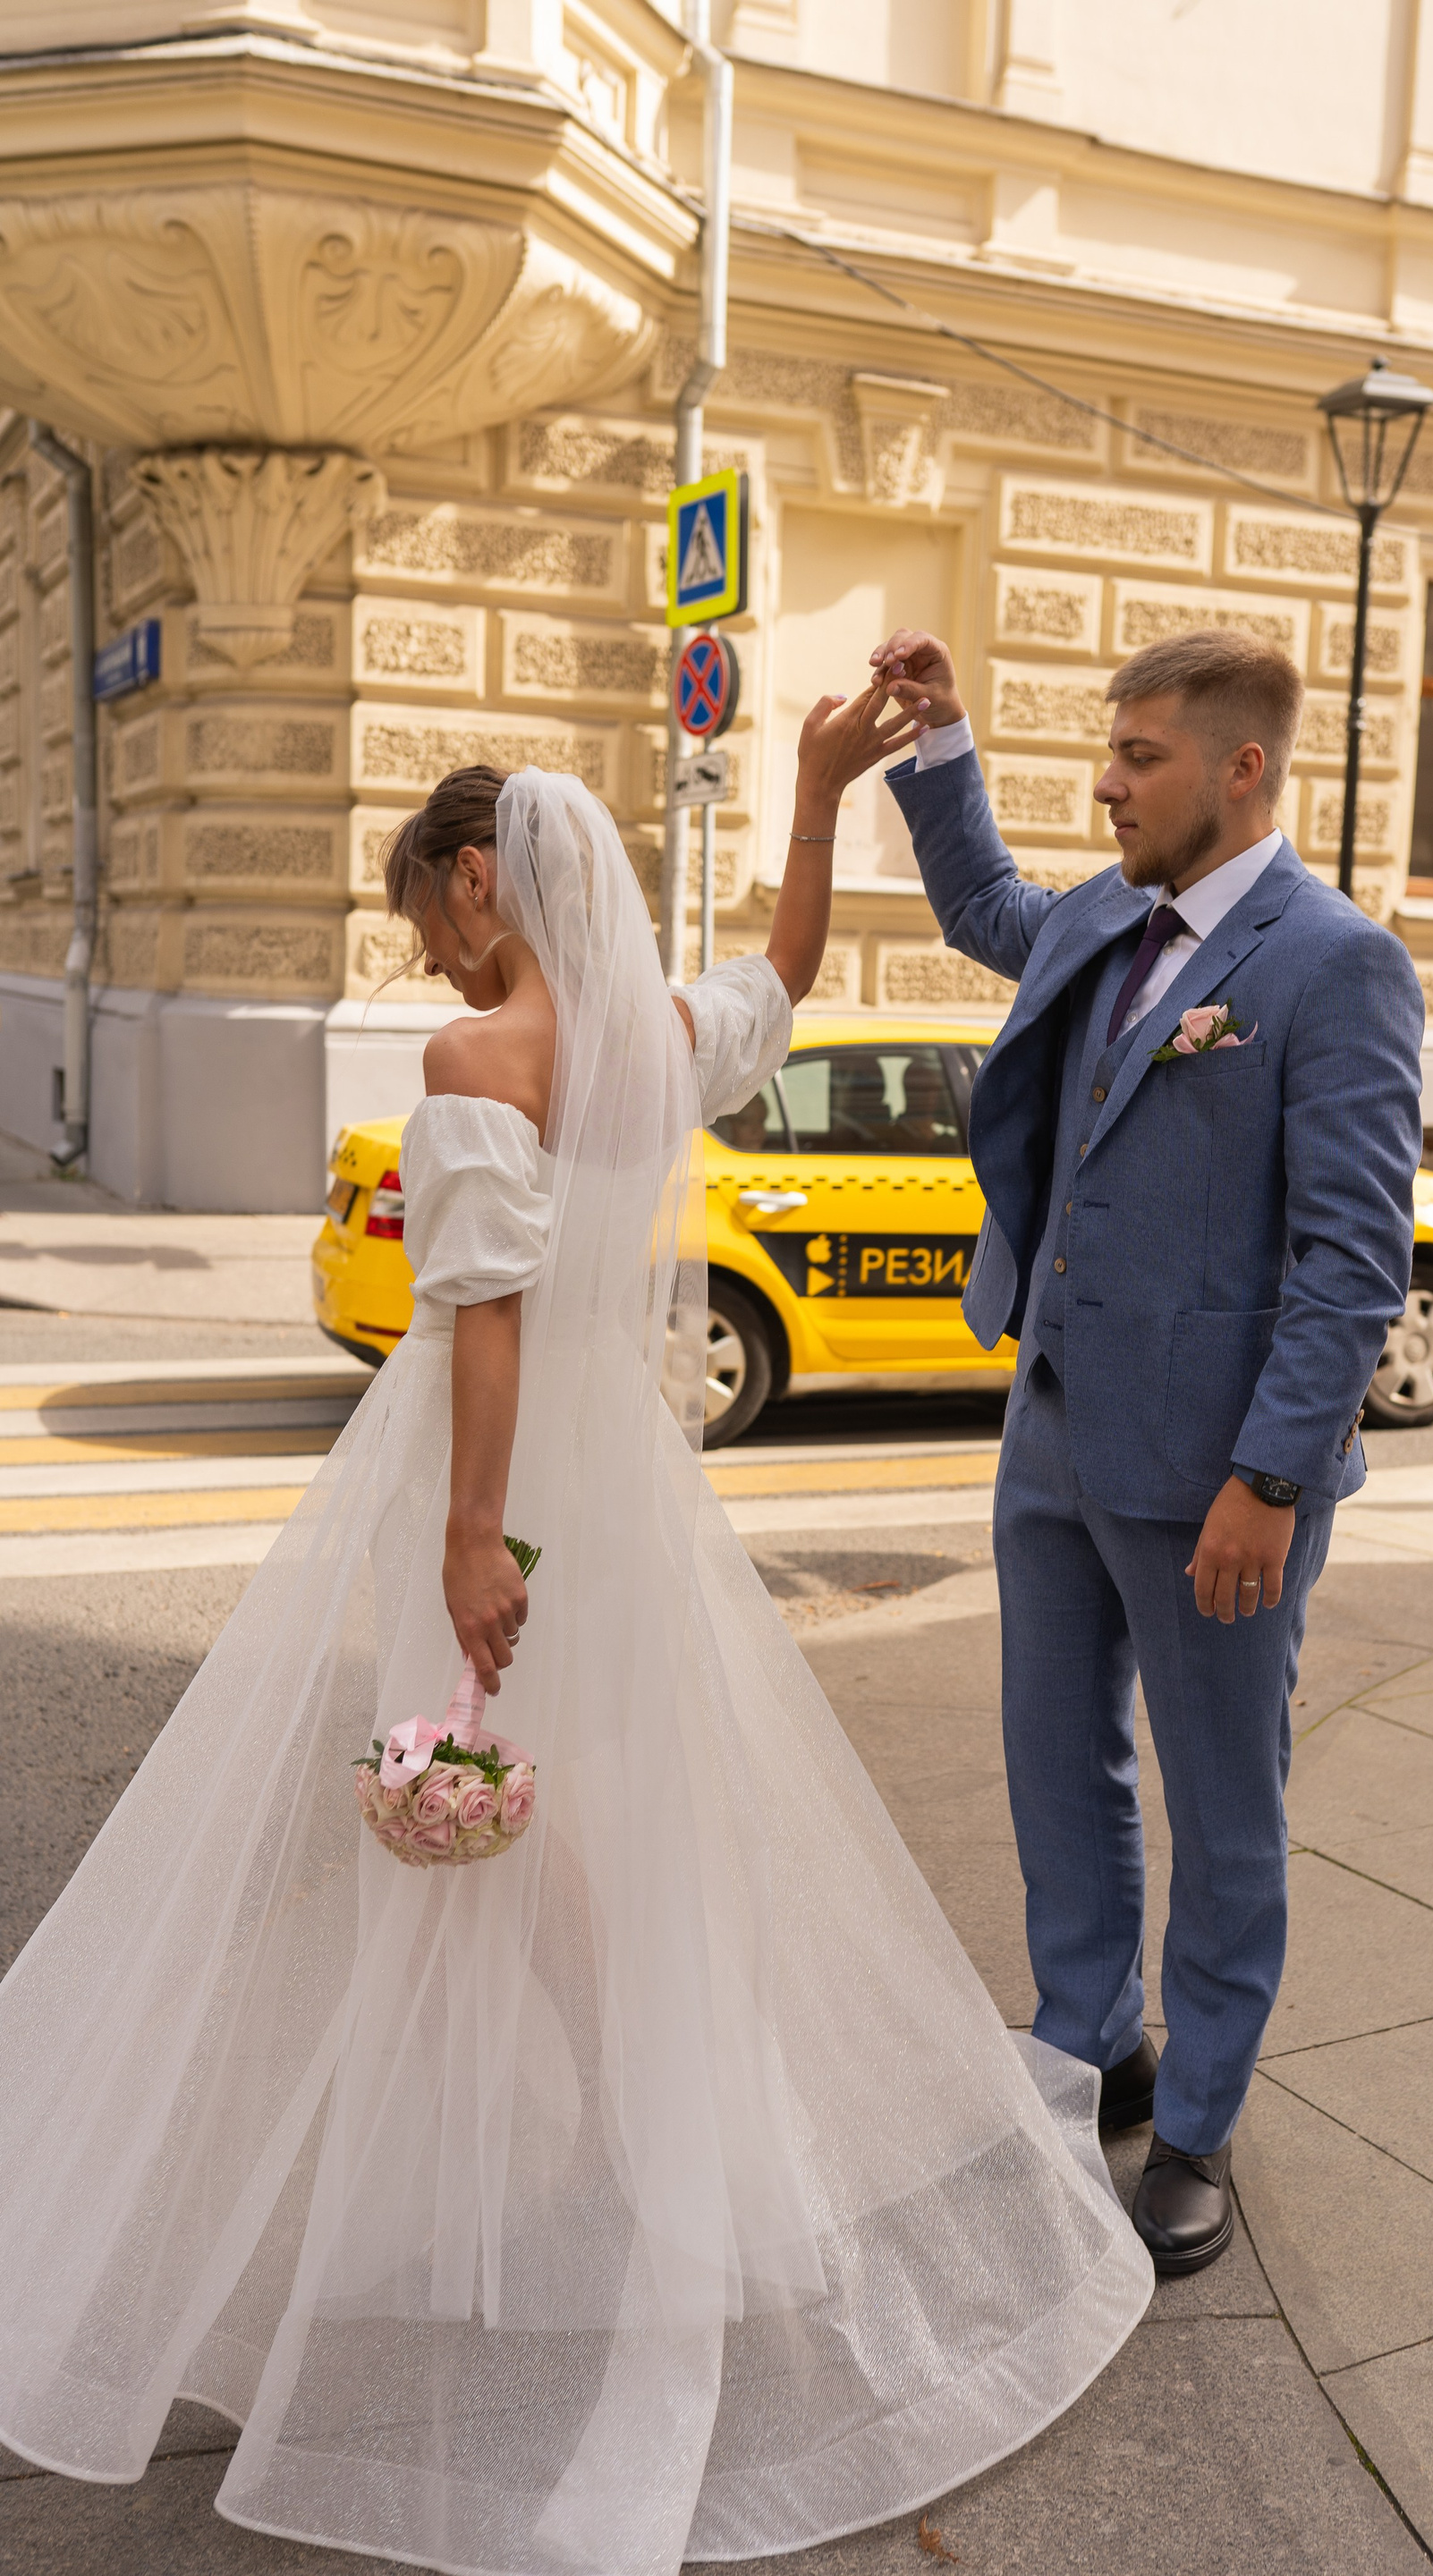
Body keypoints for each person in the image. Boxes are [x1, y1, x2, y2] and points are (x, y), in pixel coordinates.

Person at [0, 680, 1153, 2576]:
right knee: (566, 1812)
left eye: (426, 918)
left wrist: (472, 1534)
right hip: (623, 1482)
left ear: (481, 878)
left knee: (474, 1806)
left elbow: (486, 1313)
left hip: (508, 1474)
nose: (431, 961)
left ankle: (595, 2143)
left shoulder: (482, 1057)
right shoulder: (649, 1044)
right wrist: (811, 785)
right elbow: (786, 971)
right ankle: (626, 2138)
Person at [872, 623, 1422, 2274]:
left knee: (1225, 1809)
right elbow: (985, 908)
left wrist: (1271, 1480)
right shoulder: (1106, 917)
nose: (1107, 786)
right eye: (1108, 752)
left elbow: (1352, 1260)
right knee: (1057, 1768)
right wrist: (941, 745)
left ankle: (1195, 2124)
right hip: (1049, 1429)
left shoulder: (1335, 964)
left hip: (1214, 1478)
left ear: (1241, 768)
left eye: (1139, 757)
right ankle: (1089, 2045)